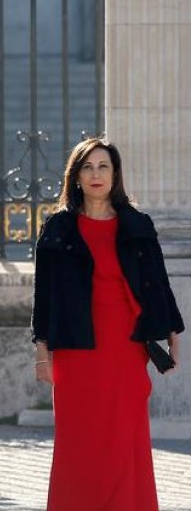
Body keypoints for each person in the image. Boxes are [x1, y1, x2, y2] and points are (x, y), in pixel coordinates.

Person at [32, 137, 183, 511]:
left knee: (125, 440)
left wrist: (173, 339)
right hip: (75, 349)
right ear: (76, 176)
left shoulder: (137, 225)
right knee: (79, 441)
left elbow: (158, 285)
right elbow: (44, 296)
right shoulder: (58, 227)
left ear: (115, 175)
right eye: (88, 167)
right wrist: (41, 353)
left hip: (126, 347)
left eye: (104, 167)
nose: (96, 174)